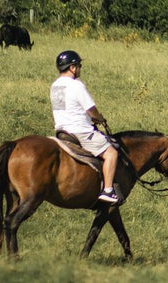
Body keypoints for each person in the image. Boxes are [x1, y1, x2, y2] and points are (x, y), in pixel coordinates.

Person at [50, 50, 121, 204]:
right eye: (79, 65)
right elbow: (91, 109)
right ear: (72, 67)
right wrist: (99, 118)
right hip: (80, 131)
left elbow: (68, 108)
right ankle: (108, 190)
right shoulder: (76, 85)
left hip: (62, 131)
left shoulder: (55, 86)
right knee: (111, 153)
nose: (80, 68)